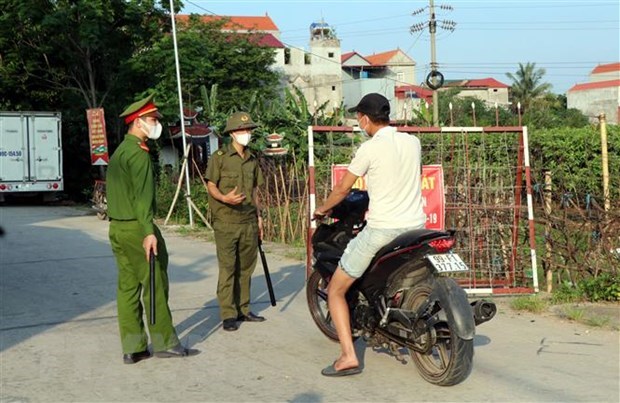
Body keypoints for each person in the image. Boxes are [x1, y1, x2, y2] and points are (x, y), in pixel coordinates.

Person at [313, 93, 427, 377]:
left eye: (358, 117)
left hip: (383, 229)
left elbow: (342, 190)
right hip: (416, 228)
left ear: (364, 118)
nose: (358, 122)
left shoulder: (369, 148)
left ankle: (348, 356)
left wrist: (322, 209)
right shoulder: (413, 142)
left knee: (335, 290)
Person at [107, 93, 191, 364]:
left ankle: (133, 347)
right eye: (153, 119)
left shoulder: (120, 151)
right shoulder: (139, 155)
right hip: (136, 228)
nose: (157, 124)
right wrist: (148, 233)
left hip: (117, 229)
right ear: (139, 121)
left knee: (128, 287)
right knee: (154, 283)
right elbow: (142, 199)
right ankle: (165, 342)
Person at [206, 111, 266, 332]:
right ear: (232, 133)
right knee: (228, 268)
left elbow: (255, 191)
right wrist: (224, 198)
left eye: (249, 130)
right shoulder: (219, 157)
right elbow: (210, 184)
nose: (246, 133)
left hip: (248, 220)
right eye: (242, 130)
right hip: (226, 221)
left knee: (246, 268)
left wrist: (259, 218)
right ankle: (228, 313)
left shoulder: (252, 159)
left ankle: (244, 308)